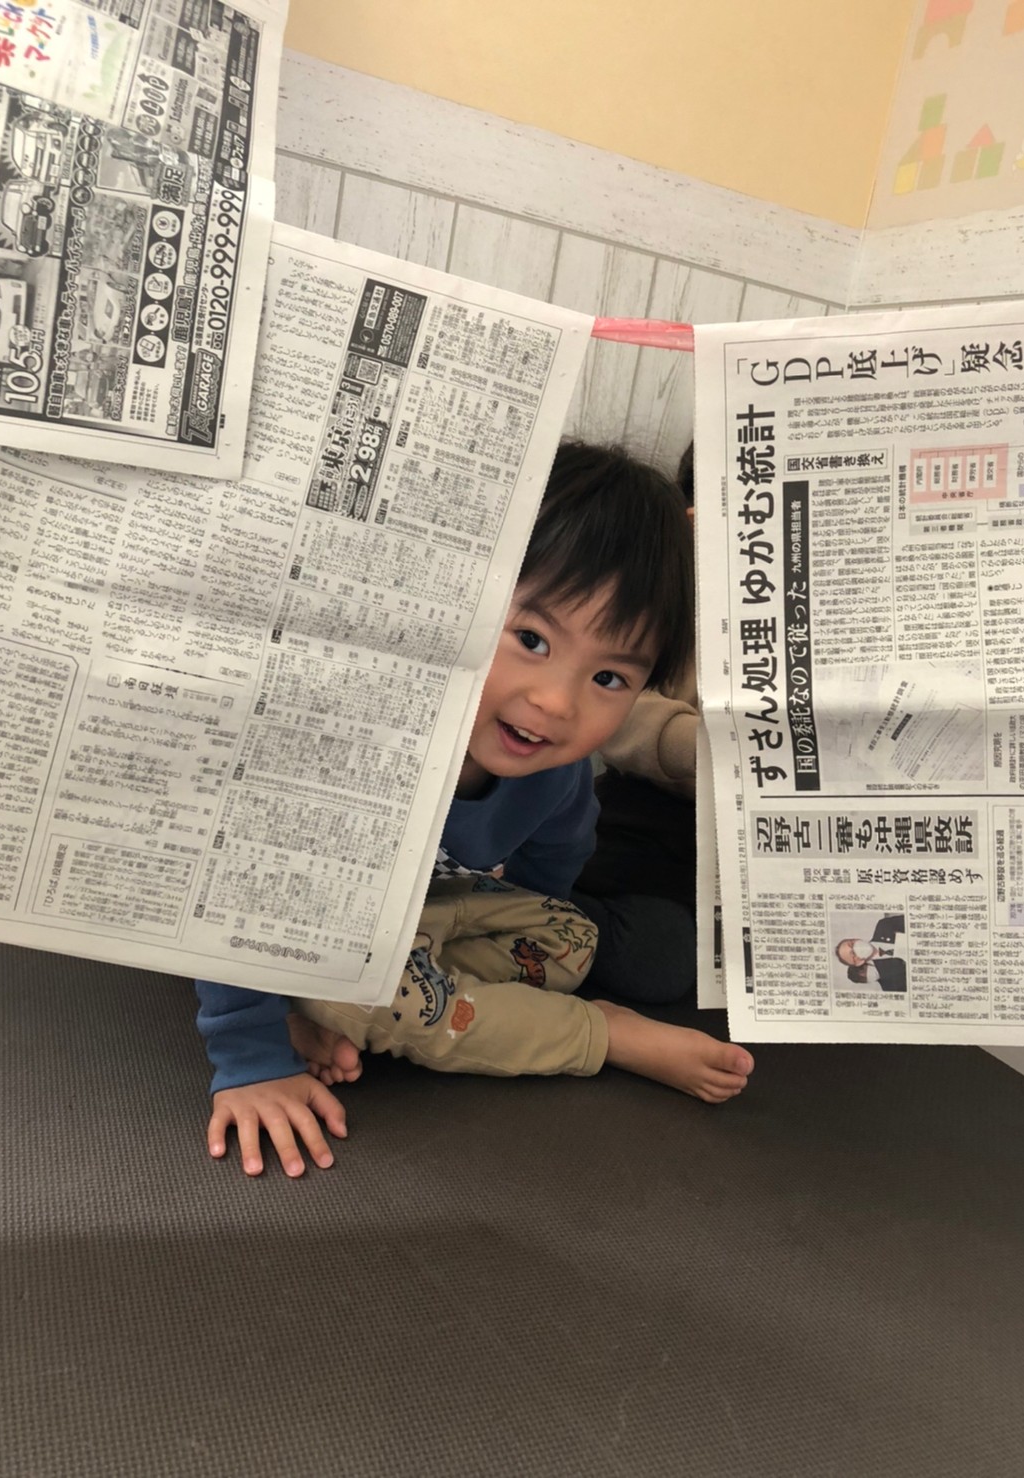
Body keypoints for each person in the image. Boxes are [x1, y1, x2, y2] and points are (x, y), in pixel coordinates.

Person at [197, 441, 754, 1177]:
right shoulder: (354, 736)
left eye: (610, 678)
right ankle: (600, 1034)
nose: (557, 702)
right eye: (531, 640)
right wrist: (252, 1061)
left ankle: (368, 1005)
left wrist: (516, 925)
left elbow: (551, 865)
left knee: (638, 948)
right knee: (362, 996)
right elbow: (231, 900)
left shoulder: (556, 773)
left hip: (432, 914)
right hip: (288, 926)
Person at [571, 441, 698, 1003]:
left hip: (759, 846)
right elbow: (609, 694)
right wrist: (691, 743)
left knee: (669, 954)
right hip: (650, 808)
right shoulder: (668, 580)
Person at [836, 915, 907, 991]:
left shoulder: (884, 925)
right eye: (853, 953)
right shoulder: (889, 983)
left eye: (852, 944)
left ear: (856, 939)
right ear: (858, 963)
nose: (856, 947)